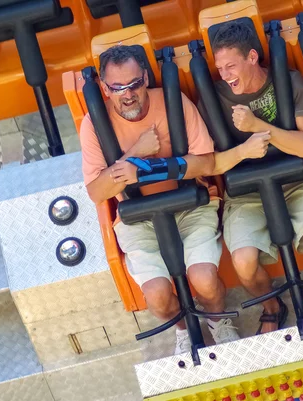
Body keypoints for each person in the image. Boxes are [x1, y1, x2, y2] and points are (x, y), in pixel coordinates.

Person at [79, 45, 240, 354]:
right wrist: (136, 154)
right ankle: (183, 329)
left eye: (135, 84)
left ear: (146, 78)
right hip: (139, 216)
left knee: (204, 279)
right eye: (117, 88)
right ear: (104, 88)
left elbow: (206, 163)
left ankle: (218, 321)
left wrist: (150, 168)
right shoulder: (92, 124)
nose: (128, 94)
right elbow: (96, 192)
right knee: (157, 295)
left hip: (190, 203)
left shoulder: (173, 102)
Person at [207, 21, 303, 334]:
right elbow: (208, 162)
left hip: (298, 180)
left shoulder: (288, 81)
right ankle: (272, 306)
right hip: (247, 193)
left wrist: (259, 129)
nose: (225, 75)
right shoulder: (215, 97)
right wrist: (244, 149)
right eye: (220, 67)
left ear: (252, 57)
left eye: (231, 65)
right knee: (244, 262)